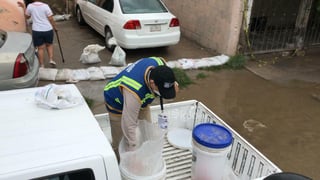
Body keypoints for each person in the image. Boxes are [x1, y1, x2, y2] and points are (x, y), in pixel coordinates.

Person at [103, 57, 179, 159]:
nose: (161, 94)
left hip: (142, 98)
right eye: (161, 91)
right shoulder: (134, 91)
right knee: (121, 140)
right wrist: (132, 153)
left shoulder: (160, 63)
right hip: (116, 101)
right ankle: (120, 161)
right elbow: (129, 125)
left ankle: (145, 153)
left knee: (147, 131)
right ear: (152, 83)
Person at [18, 0, 57, 68]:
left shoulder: (30, 6)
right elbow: (50, 18)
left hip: (37, 30)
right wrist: (54, 27)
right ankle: (51, 59)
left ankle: (42, 65)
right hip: (48, 29)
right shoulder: (45, 6)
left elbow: (27, 17)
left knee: (40, 48)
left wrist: (24, 7)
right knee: (49, 45)